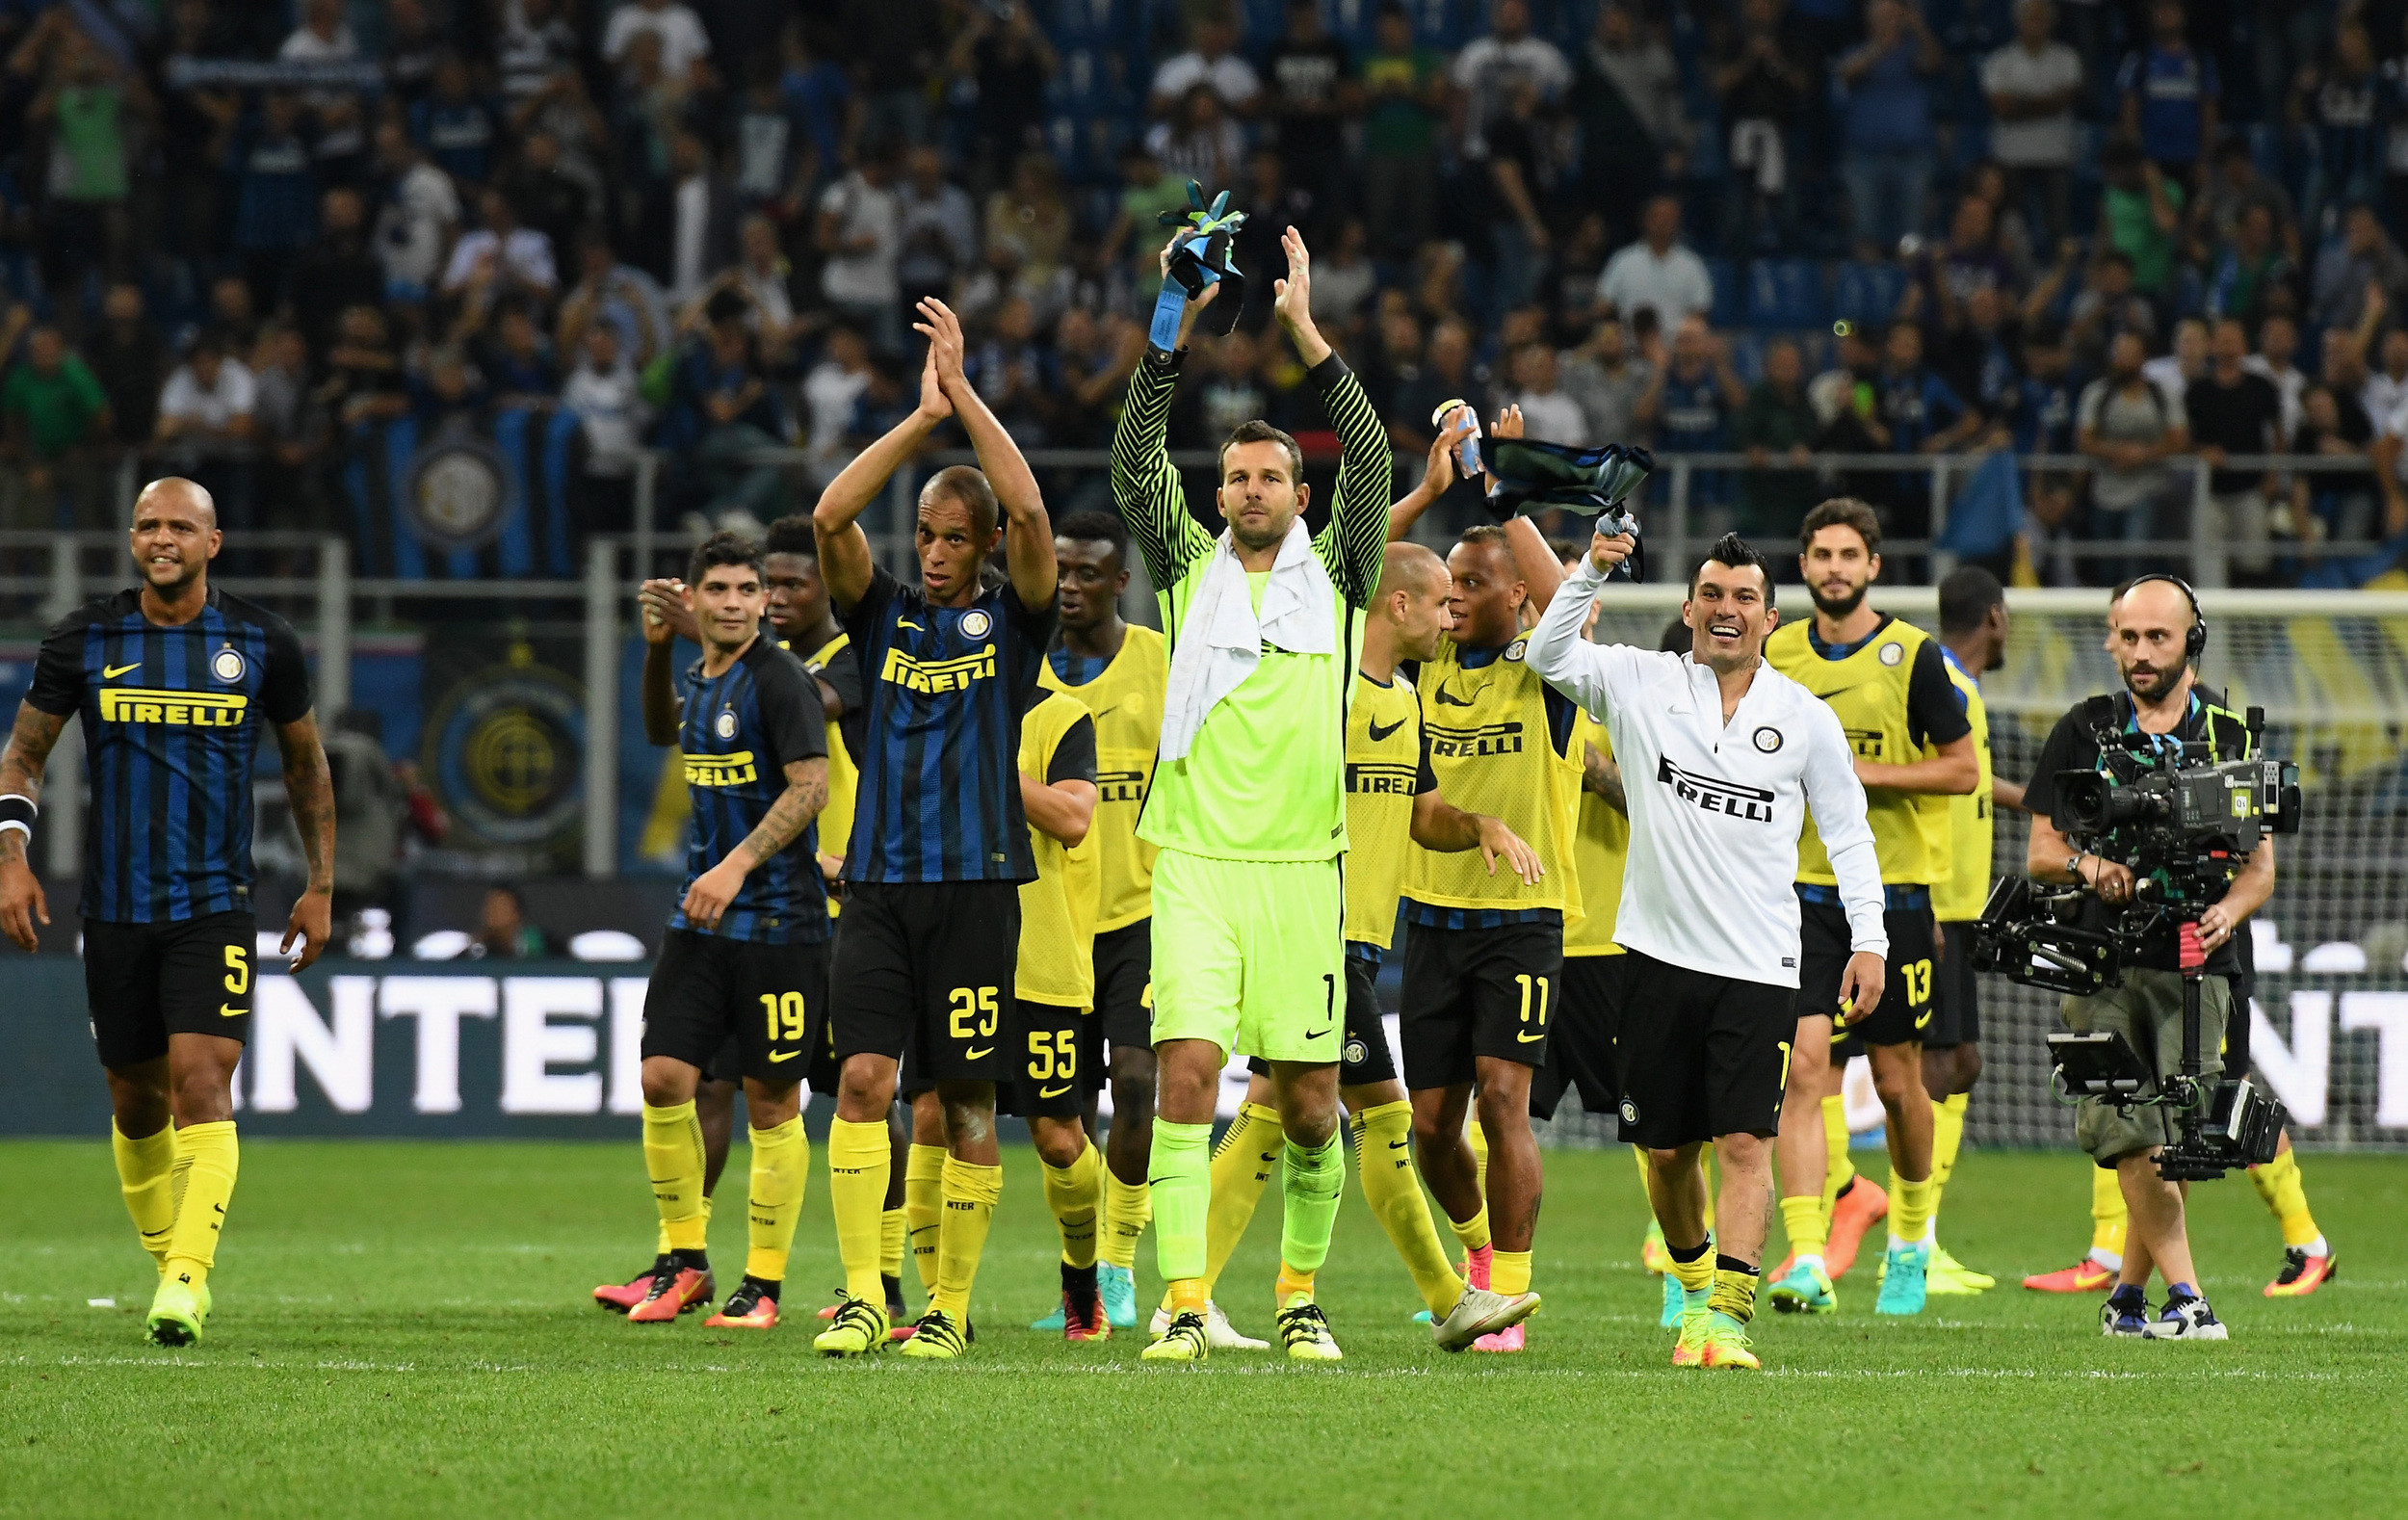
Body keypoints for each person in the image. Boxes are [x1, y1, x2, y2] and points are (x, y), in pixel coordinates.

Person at [1110, 225, 1389, 1364]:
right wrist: (1170, 319)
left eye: (1271, 475)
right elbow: (1133, 462)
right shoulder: (1188, 570)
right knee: (1184, 1076)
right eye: (1235, 476)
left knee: (1314, 1106)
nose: (1251, 489)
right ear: (1217, 493)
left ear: (1301, 493)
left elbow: (1372, 454)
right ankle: (1184, 1300)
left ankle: (1298, 1295)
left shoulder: (1344, 574)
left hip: (1302, 873)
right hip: (1195, 866)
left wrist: (1305, 333)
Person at [1526, 528, 1889, 1372]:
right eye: (1713, 596)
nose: (1727, 610)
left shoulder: (1805, 718)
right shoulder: (1641, 683)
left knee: (1745, 1145)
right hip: (1654, 962)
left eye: (1745, 598)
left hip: (1760, 969)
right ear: (1689, 609)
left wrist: (1868, 940)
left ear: (1769, 618)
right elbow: (1547, 652)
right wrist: (1592, 570)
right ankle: (1693, 1292)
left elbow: (1849, 834)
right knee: (1665, 1154)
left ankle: (1725, 1319)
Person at [1175, 535, 1546, 1353]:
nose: (1451, 616)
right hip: (1312, 928)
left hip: (1361, 940)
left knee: (1272, 1112)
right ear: (1399, 604)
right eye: (1441, 600)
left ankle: (1188, 1298)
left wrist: (1479, 824)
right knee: (1384, 1116)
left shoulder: (1404, 700)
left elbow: (1422, 814)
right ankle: (1446, 1298)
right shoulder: (1321, 689)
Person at [0, 477, 334, 1346]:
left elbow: (306, 765)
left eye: (181, 527)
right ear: (132, 538)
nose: (162, 539)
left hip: (214, 905)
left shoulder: (261, 641)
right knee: (135, 1103)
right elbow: (24, 754)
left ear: (212, 543)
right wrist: (11, 856)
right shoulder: (86, 637)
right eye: (148, 525)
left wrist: (321, 883)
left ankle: (184, 1283)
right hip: (114, 907)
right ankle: (169, 1265)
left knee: (202, 1085)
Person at [809, 297, 1059, 1360]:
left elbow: (1034, 514)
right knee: (864, 1085)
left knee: (965, 1107)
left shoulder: (1013, 622)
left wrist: (965, 396)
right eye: (926, 535)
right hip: (877, 887)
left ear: (986, 544)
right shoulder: (883, 616)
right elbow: (829, 518)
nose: (938, 551)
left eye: (958, 537)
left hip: (976, 889)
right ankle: (867, 1295)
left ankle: (948, 1308)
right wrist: (919, 421)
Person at [2020, 577, 2272, 1340]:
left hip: (2197, 956)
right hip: (2101, 957)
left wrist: (2227, 912)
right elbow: (2041, 853)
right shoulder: (2082, 729)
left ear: (2192, 640)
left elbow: (2260, 870)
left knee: (2181, 1137)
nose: (2140, 652)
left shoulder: (2230, 736)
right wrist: (2091, 867)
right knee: (2128, 1127)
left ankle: (2127, 1299)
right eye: (2128, 637)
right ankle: (2188, 1297)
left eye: (2157, 637)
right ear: (2111, 639)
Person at [1763, 500, 1976, 1321]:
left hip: (1891, 895)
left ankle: (1911, 1242)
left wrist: (1859, 776)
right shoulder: (1777, 651)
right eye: (1821, 555)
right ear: (1804, 565)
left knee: (1895, 1081)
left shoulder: (1912, 656)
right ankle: (1807, 1254)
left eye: (1849, 555)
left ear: (1874, 566)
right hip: (1799, 893)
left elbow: (1961, 770)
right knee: (1802, 1070)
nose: (1834, 568)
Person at [1385, 477, 1582, 1353]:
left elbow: (1566, 600)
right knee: (1431, 1127)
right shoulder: (1421, 667)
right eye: (1447, 583)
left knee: (1504, 1102)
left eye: (1472, 582)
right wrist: (1430, 488)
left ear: (1518, 594)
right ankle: (1476, 1262)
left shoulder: (1550, 672)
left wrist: (1508, 502)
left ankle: (1510, 1291)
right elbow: (1360, 571)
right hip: (1431, 918)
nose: (1453, 596)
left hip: (1522, 921)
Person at [619, 534, 829, 1331]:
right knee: (662, 1078)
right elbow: (659, 731)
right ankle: (683, 1261)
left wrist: (735, 866)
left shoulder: (779, 679)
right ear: (694, 600)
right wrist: (654, 650)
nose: (736, 603)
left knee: (771, 1101)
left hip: (779, 921)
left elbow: (811, 788)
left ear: (763, 601)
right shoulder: (703, 678)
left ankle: (763, 1284)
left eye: (747, 589)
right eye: (719, 589)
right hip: (701, 919)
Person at [1031, 511, 1166, 1335]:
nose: (1071, 587)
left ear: (1120, 581)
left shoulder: (1160, 661)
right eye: (1062, 572)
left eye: (1089, 573)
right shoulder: (1026, 669)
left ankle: (1117, 1266)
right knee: (1066, 1107)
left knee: (1138, 1081)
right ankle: (1077, 1277)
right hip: (1054, 920)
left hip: (1142, 914)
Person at [1923, 567, 2024, 1295]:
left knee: (1959, 1062)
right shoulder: (1947, 687)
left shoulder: (1959, 685)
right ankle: (1910, 1238)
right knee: (1936, 1065)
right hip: (1934, 903)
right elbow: (1922, 786)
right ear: (1995, 617)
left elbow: (1970, 779)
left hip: (1958, 904)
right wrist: (1921, 901)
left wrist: (2037, 802)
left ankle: (1914, 1233)